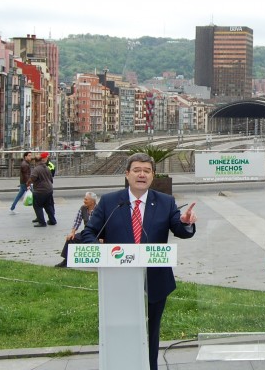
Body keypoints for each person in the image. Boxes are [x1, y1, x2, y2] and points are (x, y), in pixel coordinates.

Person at [79, 152, 196, 370]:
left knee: (151, 333)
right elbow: (89, 232)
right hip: (119, 281)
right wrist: (101, 253)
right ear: (127, 174)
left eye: (147, 171)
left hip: (155, 281)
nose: (142, 175)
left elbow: (180, 230)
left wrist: (186, 222)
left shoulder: (165, 202)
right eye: (137, 170)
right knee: (122, 329)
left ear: (152, 175)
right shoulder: (110, 202)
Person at [55, 191, 97, 267]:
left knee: (96, 243)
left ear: (92, 202)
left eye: (86, 199)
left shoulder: (99, 209)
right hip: (86, 232)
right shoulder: (83, 208)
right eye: (84, 199)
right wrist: (72, 232)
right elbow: (77, 221)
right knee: (71, 239)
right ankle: (66, 261)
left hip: (97, 233)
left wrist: (102, 237)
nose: (84, 201)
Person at [29, 154, 56, 227]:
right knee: (48, 205)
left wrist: (28, 183)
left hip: (40, 190)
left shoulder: (36, 169)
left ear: (35, 161)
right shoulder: (47, 167)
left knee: (37, 206)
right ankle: (52, 221)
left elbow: (32, 178)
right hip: (49, 189)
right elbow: (51, 178)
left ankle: (42, 222)